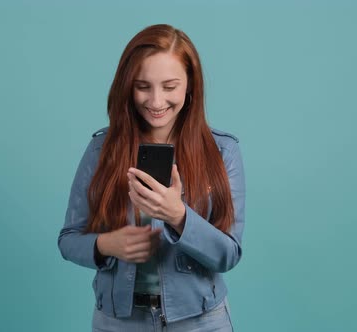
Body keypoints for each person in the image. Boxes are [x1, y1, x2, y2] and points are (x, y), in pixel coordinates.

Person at [58, 24, 245, 331]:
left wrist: (178, 216)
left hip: (200, 322)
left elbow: (229, 254)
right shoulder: (101, 149)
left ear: (190, 86)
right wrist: (106, 244)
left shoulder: (224, 151)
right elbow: (68, 239)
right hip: (118, 322)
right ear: (127, 87)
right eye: (143, 86)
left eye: (170, 87)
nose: (156, 101)